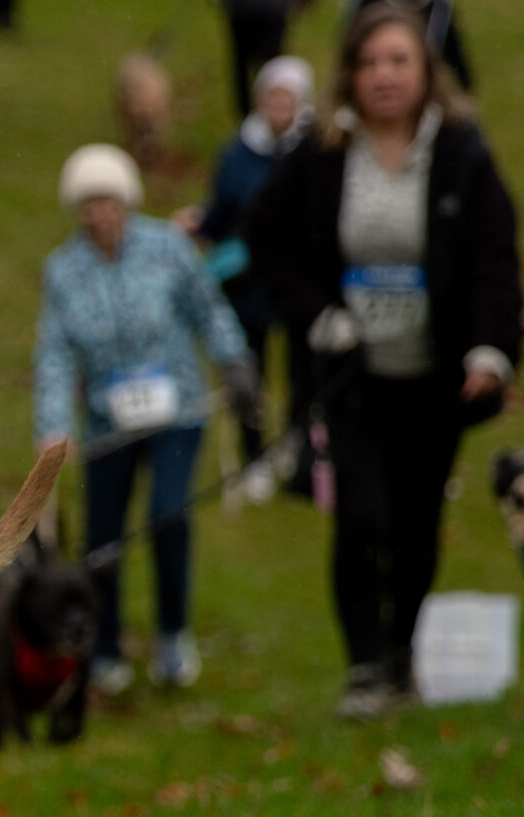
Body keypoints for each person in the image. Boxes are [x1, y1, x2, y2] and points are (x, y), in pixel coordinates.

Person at [249, 3, 518, 717]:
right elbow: (266, 237)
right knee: (361, 517)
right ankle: (364, 666)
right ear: (349, 74)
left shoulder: (461, 153)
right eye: (369, 63)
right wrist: (319, 316)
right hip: (353, 377)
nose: (384, 76)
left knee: (415, 523)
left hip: (437, 378)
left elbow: (495, 258)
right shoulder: (321, 154)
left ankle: (402, 651)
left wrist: (491, 350)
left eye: (398, 61)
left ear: (426, 68)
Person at [32, 144, 252, 695]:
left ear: (126, 201)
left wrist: (235, 362)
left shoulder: (168, 248)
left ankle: (173, 635)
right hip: (108, 424)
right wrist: (53, 426)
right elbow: (55, 353)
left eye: (107, 202)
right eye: (87, 205)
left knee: (168, 515)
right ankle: (103, 647)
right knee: (103, 536)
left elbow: (208, 309)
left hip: (178, 411)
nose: (98, 215)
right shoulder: (63, 270)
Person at [183, 55, 315, 498]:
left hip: (298, 283)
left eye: (287, 100)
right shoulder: (237, 153)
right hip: (247, 286)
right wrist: (200, 225)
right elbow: (221, 213)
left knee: (301, 372)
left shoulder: (313, 150)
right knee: (248, 371)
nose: (278, 109)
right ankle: (254, 456)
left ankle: (295, 446)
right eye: (271, 99)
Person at [222, 0, 301, 121]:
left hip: (257, 9)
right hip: (262, 9)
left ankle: (269, 114)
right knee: (268, 65)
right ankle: (255, 116)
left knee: (269, 66)